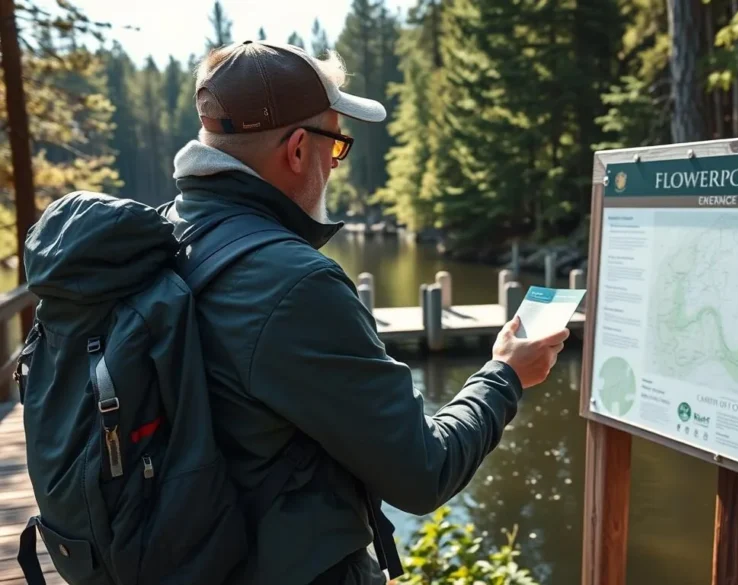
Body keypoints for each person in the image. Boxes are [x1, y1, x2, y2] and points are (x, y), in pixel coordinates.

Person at [164, 40, 570, 585]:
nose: (334, 168)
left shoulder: (167, 235)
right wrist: (505, 376)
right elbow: (423, 470)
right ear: (298, 150)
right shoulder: (296, 285)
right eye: (337, 148)